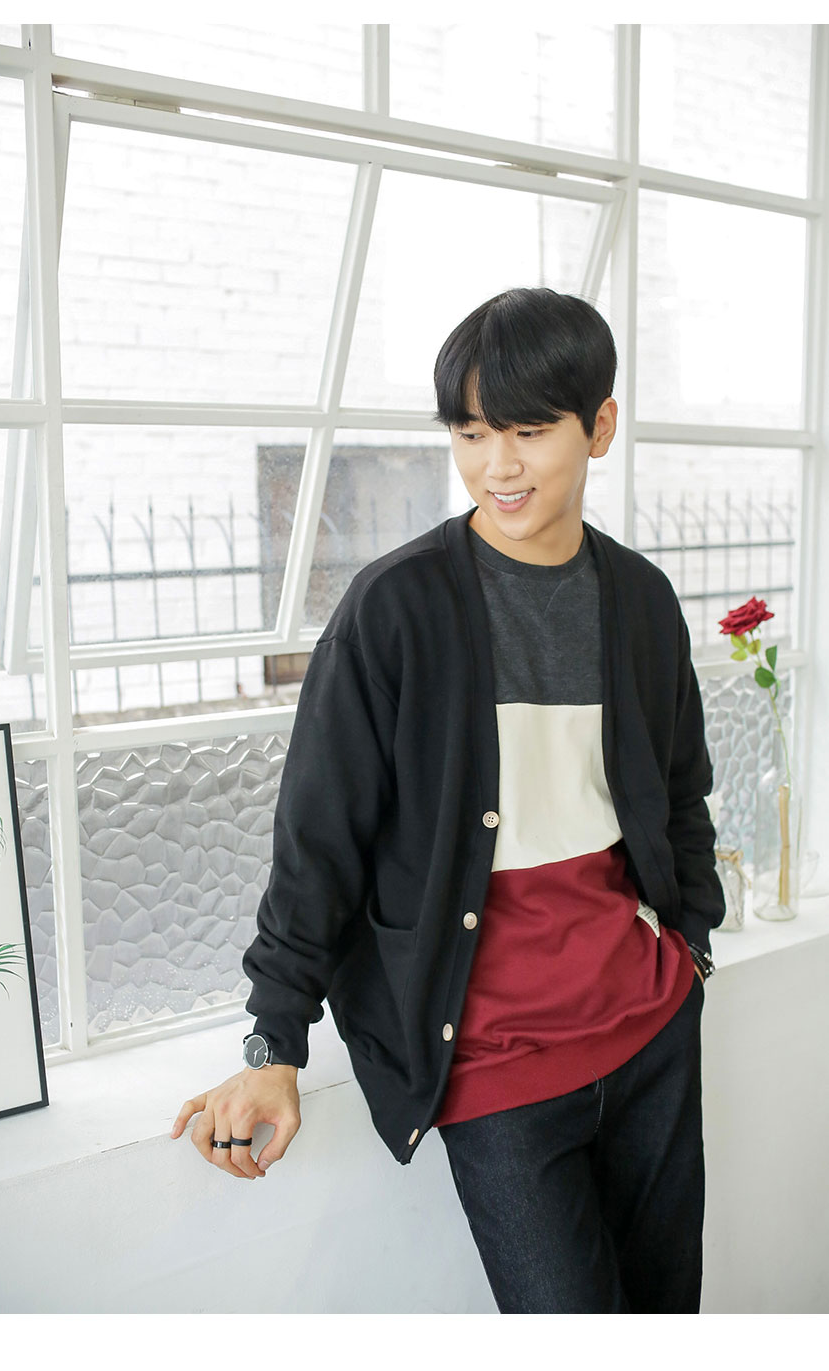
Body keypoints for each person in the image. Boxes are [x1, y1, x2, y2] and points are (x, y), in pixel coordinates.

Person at [171, 285, 723, 1314]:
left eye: (528, 430)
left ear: (599, 425)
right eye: (471, 433)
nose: (497, 465)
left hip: (648, 1034)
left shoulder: (641, 601)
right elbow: (318, 843)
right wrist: (273, 1043)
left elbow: (680, 789)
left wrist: (690, 941)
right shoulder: (394, 610)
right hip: (498, 1070)